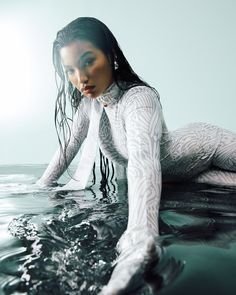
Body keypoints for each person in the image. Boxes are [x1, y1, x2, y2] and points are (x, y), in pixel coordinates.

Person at [36, 17, 236, 294]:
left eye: (88, 61)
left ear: (110, 55)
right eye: (70, 69)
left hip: (206, 145)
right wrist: (38, 191)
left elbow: (143, 163)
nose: (80, 78)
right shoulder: (89, 107)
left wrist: (141, 235)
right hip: (186, 175)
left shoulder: (139, 98)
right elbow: (66, 150)